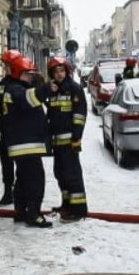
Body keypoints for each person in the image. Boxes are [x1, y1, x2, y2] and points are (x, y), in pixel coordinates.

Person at [0, 55, 52, 228]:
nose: (31, 76)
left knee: (22, 178)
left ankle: (21, 211)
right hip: (25, 144)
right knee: (35, 179)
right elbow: (29, 99)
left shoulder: (14, 87)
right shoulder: (16, 90)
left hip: (22, 143)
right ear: (18, 73)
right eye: (27, 73)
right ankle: (34, 214)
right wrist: (46, 89)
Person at [43, 56, 88, 222]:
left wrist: (76, 137)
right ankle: (67, 204)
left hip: (70, 141)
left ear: (67, 71)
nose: (59, 74)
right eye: (56, 71)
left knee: (72, 175)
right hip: (58, 142)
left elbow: (79, 114)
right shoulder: (55, 91)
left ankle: (79, 209)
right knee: (60, 174)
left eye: (61, 71)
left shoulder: (73, 89)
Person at [0, 49, 21, 206]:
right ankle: (8, 192)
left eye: (8, 65)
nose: (5, 68)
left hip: (19, 134)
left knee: (21, 166)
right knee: (6, 164)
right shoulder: (3, 84)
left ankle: (19, 192)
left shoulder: (23, 83)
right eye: (5, 65)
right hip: (5, 133)